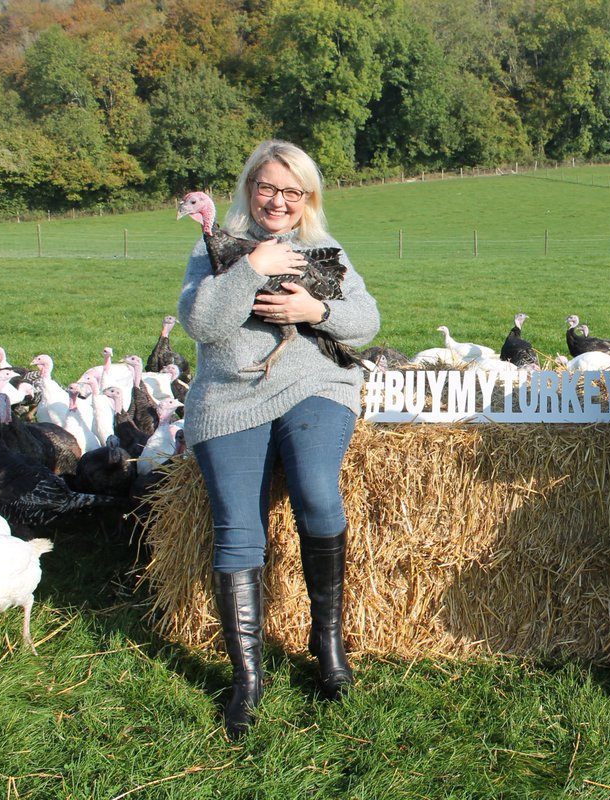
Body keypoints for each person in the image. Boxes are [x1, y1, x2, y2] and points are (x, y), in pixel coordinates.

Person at [177, 140, 380, 739]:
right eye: (269, 187)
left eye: (293, 191)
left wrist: (314, 308)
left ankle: (328, 644)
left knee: (318, 492)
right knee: (237, 526)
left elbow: (366, 323)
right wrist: (253, 269)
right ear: (249, 188)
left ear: (307, 199)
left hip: (315, 381)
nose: (279, 200)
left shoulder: (323, 250)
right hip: (230, 395)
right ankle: (249, 678)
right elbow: (203, 324)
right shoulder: (213, 250)